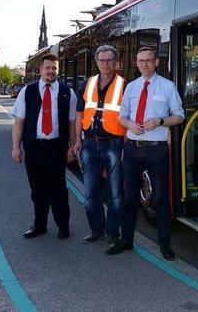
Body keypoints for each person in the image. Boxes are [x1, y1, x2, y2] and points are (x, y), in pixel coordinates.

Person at [107, 47, 184, 260]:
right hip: (132, 148)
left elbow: (179, 116)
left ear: (156, 62)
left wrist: (160, 121)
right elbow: (121, 118)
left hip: (156, 150)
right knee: (129, 197)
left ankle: (165, 245)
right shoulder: (131, 87)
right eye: (141, 61)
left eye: (149, 60)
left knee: (160, 199)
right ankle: (126, 240)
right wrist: (130, 124)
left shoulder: (167, 87)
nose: (145, 64)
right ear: (136, 63)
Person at [11, 54, 77, 240]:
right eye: (48, 68)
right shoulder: (27, 91)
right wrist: (16, 147)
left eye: (54, 68)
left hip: (56, 147)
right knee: (37, 190)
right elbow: (19, 122)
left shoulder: (67, 92)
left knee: (59, 189)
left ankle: (63, 226)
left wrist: (72, 146)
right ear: (40, 70)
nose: (51, 71)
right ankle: (39, 225)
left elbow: (72, 123)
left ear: (58, 70)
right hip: (34, 147)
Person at [72, 45, 127, 247]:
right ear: (96, 62)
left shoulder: (125, 86)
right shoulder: (87, 84)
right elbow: (79, 115)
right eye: (102, 60)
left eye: (109, 60)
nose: (105, 64)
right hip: (89, 144)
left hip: (115, 144)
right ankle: (97, 230)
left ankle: (113, 232)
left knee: (115, 194)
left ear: (116, 62)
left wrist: (126, 146)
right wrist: (77, 140)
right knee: (90, 193)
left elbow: (128, 118)